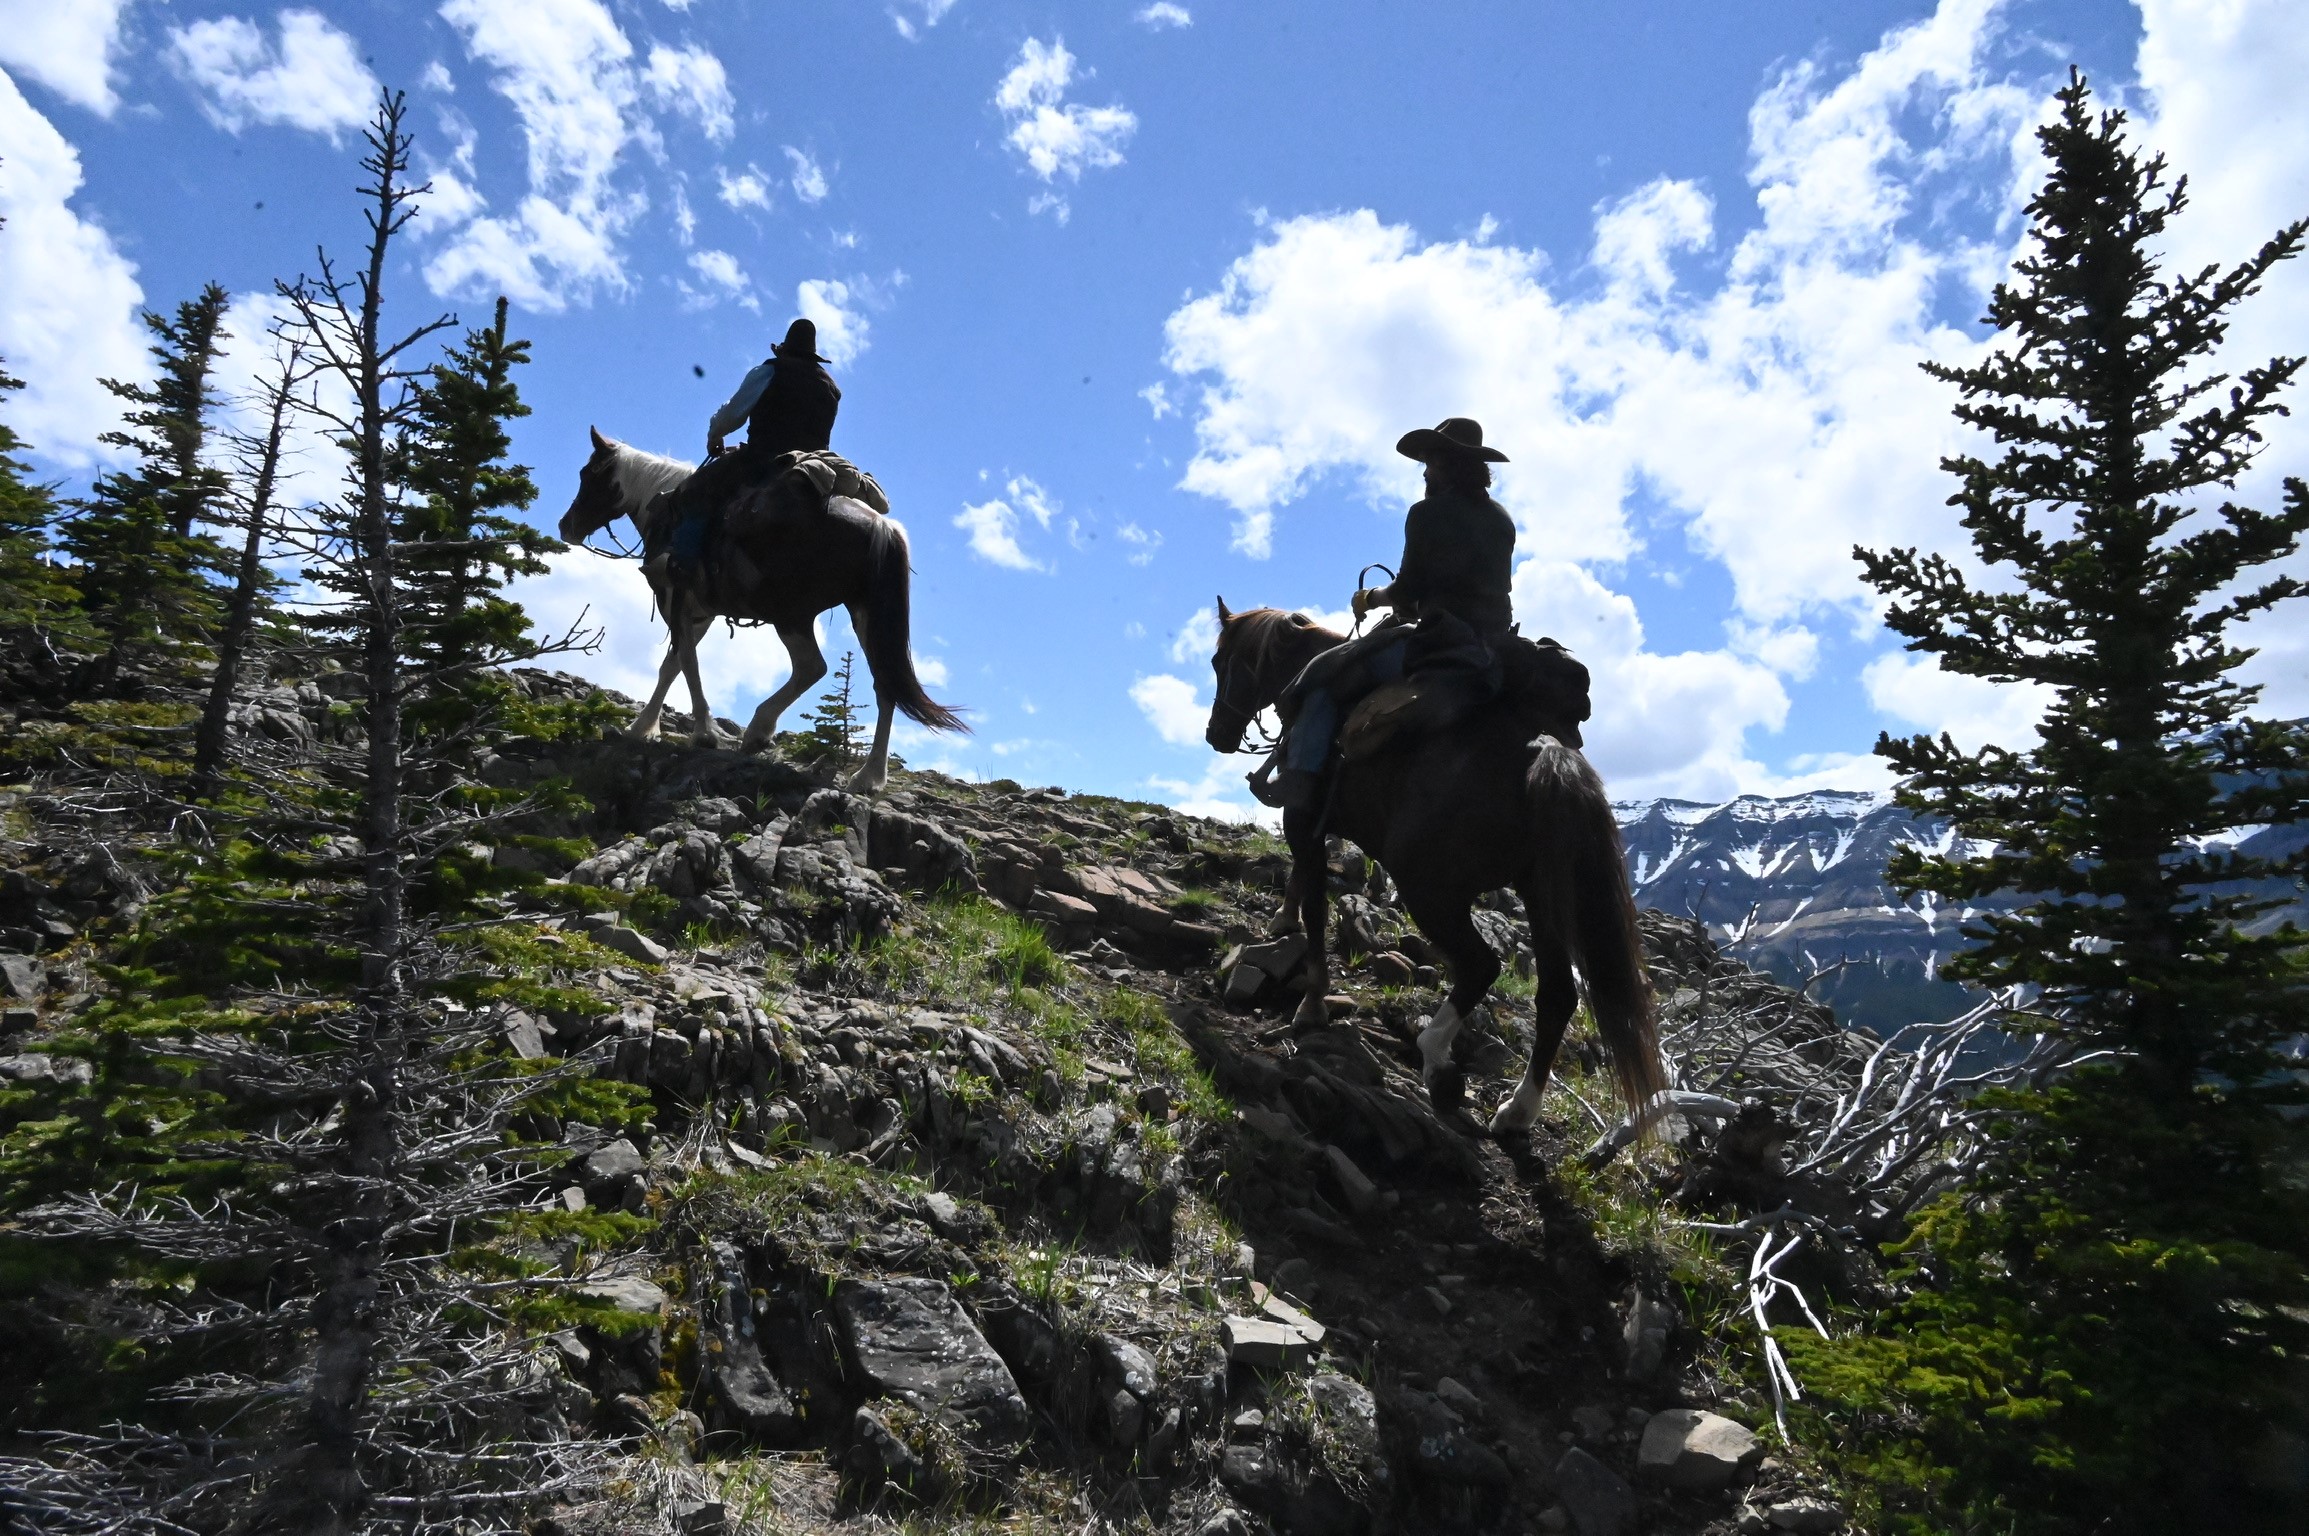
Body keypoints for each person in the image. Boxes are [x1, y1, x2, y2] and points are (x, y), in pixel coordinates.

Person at [1252, 417, 1517, 812]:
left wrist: (1370, 598)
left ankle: (1299, 781)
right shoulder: (1501, 519)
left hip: (1439, 642)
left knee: (1323, 677)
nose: (1425, 472)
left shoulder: (1427, 513)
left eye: (1430, 462)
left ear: (1445, 465)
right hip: (1497, 645)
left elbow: (1408, 592)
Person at [650, 317, 842, 587]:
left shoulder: (772, 371)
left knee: (693, 491)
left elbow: (732, 413)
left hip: (765, 460)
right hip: (813, 466)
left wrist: (715, 435)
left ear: (784, 349)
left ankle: (685, 566)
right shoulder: (831, 388)